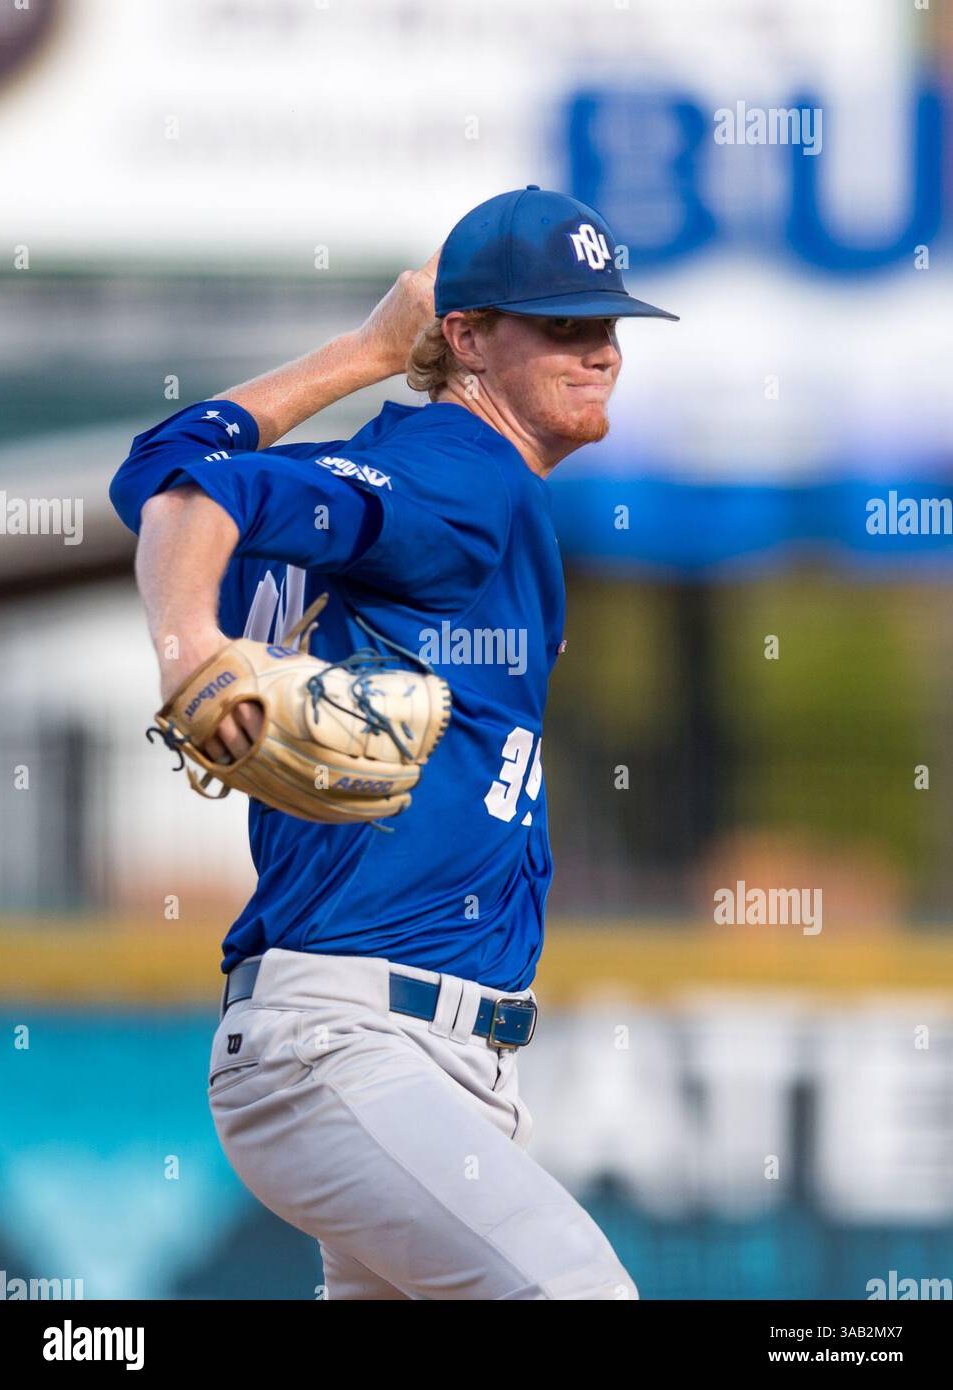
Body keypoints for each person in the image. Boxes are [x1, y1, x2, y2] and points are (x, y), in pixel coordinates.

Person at [110, 185, 678, 1300]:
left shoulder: (412, 467)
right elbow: (192, 488)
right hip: (356, 1044)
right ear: (466, 339)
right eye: (559, 324)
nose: (599, 349)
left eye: (605, 323)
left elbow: (168, 466)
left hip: (396, 1055)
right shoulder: (465, 474)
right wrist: (187, 651)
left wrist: (361, 352)